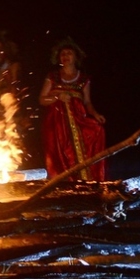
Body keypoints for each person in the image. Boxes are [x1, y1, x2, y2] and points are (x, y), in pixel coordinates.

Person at [39, 38, 106, 181]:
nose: (66, 56)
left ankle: (85, 182)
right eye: (63, 54)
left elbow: (87, 102)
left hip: (78, 119)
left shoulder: (83, 78)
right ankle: (62, 184)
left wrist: (95, 114)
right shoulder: (53, 76)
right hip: (57, 123)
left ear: (76, 57)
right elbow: (42, 99)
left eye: (69, 53)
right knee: (60, 153)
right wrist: (58, 97)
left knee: (95, 132)